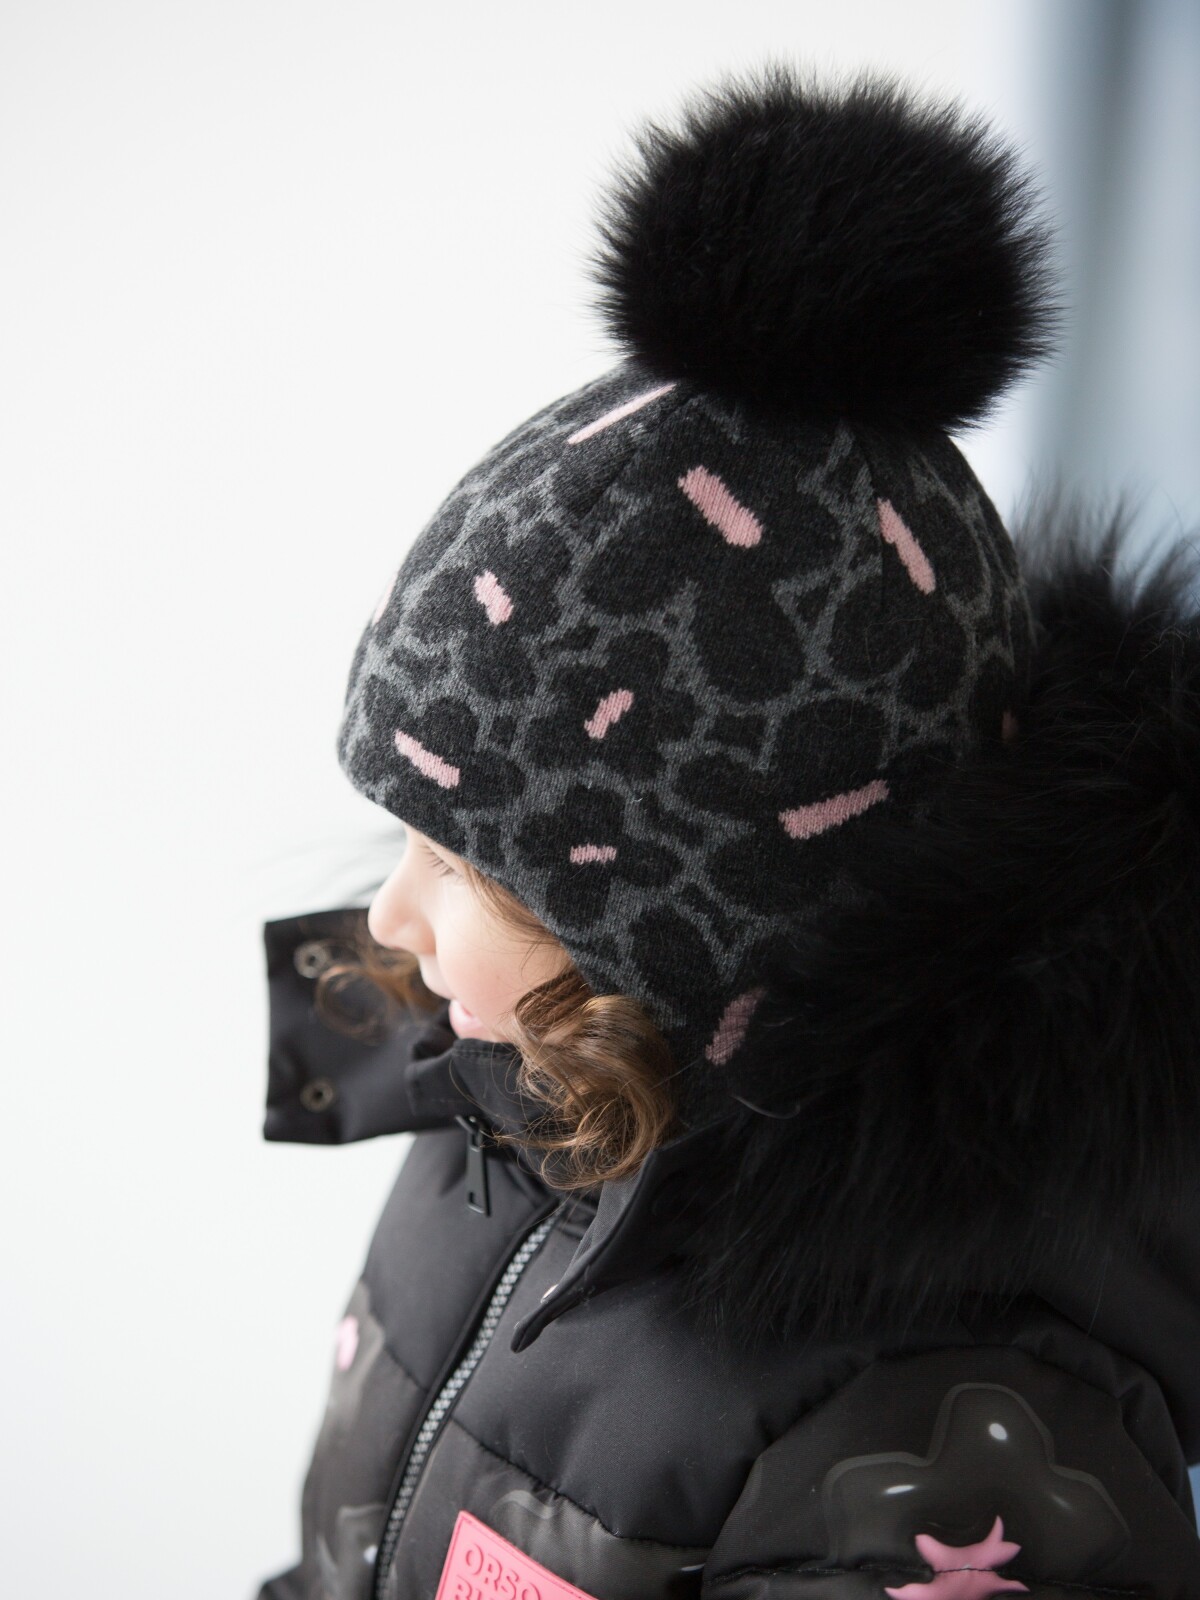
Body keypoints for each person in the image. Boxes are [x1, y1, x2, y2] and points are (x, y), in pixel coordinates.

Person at [256, 63, 1200, 1599]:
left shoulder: (951, 1407)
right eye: (407, 838)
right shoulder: (515, 1092)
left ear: (692, 928)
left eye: (464, 867)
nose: (387, 923)